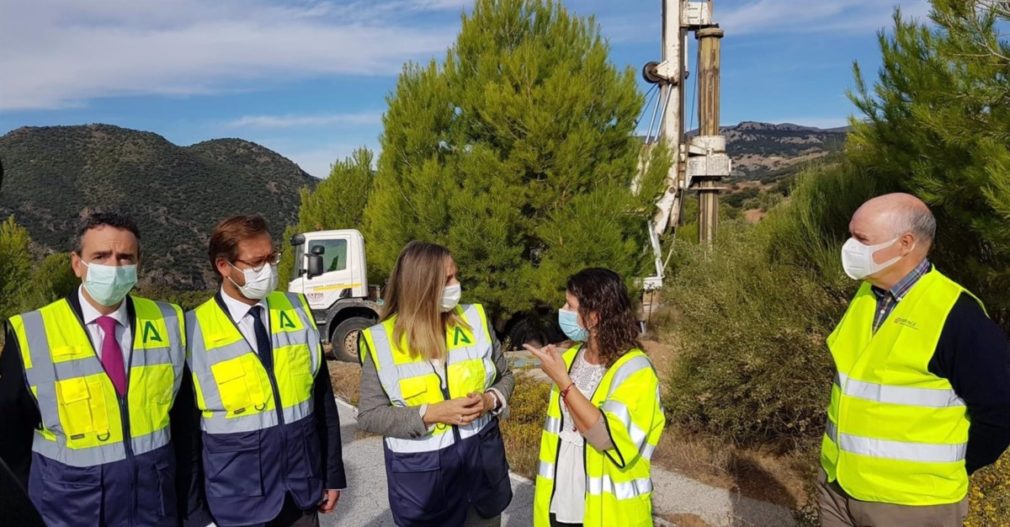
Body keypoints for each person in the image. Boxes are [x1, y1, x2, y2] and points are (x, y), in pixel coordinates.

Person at [819, 193, 1010, 527]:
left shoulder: (957, 317)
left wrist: (948, 469)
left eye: (861, 239)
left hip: (913, 506)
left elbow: (1001, 413)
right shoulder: (867, 294)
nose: (849, 246)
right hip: (839, 490)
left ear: (904, 243)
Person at [0, 211, 188, 526]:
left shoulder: (170, 321)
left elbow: (182, 421)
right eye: (100, 256)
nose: (113, 267)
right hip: (69, 512)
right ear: (77, 264)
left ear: (139, 265)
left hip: (153, 508)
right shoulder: (31, 330)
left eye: (125, 257)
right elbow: (10, 438)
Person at [185, 214, 345, 526]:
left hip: (302, 493)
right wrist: (196, 516)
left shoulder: (297, 311)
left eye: (272, 257)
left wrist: (332, 474)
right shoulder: (192, 330)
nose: (269, 269)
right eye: (257, 262)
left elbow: (323, 402)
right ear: (224, 267)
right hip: (237, 503)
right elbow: (187, 435)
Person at [357, 241, 514, 527]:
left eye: (456, 275)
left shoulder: (475, 320)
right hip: (425, 490)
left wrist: (491, 400)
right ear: (421, 287)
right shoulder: (381, 341)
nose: (457, 285)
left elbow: (506, 376)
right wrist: (430, 413)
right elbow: (369, 415)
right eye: (447, 280)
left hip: (483, 481)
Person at [526, 267, 665, 527]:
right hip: (559, 503)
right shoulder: (567, 360)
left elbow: (605, 438)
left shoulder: (636, 371)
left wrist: (564, 382)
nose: (562, 310)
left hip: (609, 514)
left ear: (593, 317)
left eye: (569, 305)